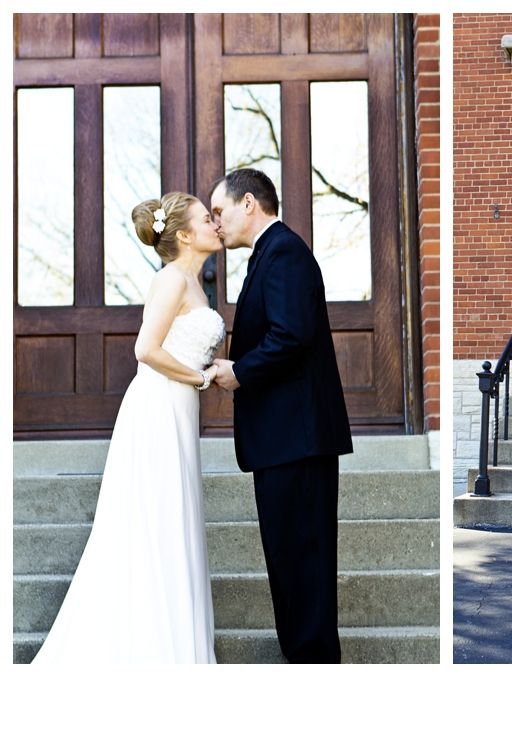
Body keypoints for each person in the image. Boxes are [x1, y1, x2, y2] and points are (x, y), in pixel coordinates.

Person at [32, 192, 225, 663]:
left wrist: (214, 366)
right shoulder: (171, 281)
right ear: (183, 234)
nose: (215, 224)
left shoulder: (196, 284)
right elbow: (146, 350)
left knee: (175, 524)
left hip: (179, 410)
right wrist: (202, 377)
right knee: (155, 524)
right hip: (157, 410)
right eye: (206, 219)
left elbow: (182, 345)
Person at [209, 168, 353, 664]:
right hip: (283, 440)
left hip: (298, 440)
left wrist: (240, 372)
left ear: (249, 203)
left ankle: (313, 669)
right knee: (290, 564)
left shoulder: (285, 253)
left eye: (220, 211)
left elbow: (291, 335)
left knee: (303, 564)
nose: (217, 222)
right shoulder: (268, 256)